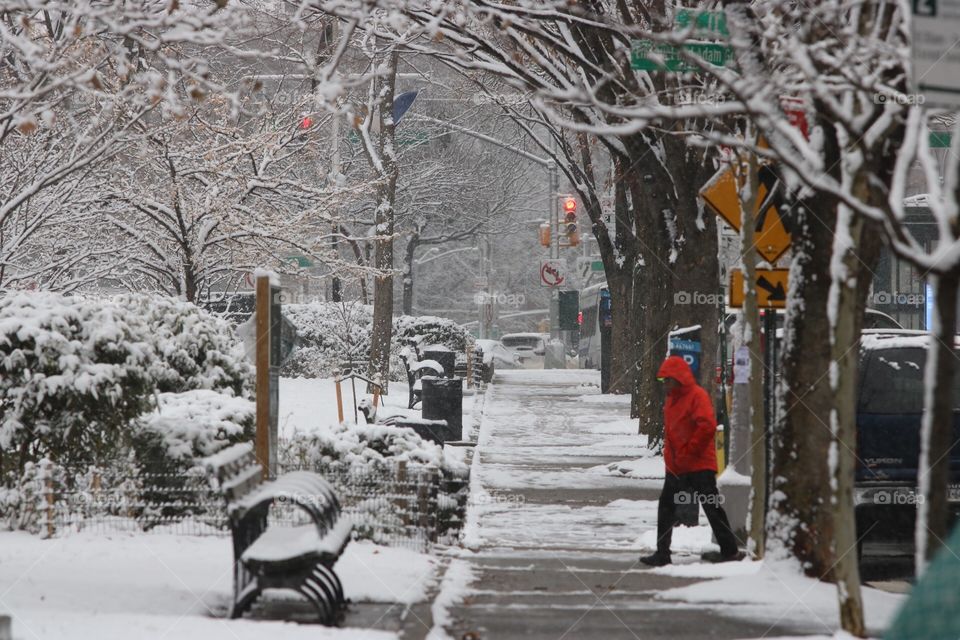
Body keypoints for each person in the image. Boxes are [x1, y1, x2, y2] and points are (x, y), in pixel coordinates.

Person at [640, 355, 743, 566]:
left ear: (677, 379)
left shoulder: (696, 396)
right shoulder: (672, 400)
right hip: (678, 465)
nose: (665, 385)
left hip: (698, 464)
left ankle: (729, 550)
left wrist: (689, 451)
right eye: (663, 381)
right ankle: (663, 553)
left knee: (712, 507)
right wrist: (674, 457)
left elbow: (706, 425)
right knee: (666, 508)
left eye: (667, 380)